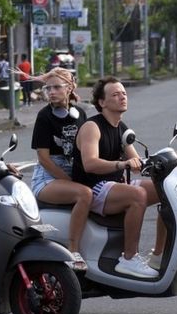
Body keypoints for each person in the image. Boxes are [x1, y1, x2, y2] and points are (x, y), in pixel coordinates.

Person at [72, 76, 166, 278]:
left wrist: (165, 161)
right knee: (137, 195)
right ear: (102, 102)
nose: (122, 97)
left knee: (165, 190)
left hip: (115, 184)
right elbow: (90, 163)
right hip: (94, 186)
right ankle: (129, 258)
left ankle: (158, 254)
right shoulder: (92, 127)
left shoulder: (121, 127)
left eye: (123, 93)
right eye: (115, 94)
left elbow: (138, 163)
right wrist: (121, 164)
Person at [29, 67, 91, 269]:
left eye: (57, 87)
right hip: (48, 178)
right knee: (84, 195)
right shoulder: (44, 116)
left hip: (73, 175)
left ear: (69, 88)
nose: (51, 92)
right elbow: (44, 159)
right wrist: (69, 180)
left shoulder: (80, 114)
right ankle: (73, 250)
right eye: (48, 88)